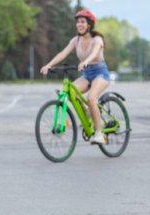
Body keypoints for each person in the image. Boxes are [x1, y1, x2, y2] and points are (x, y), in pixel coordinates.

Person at [40, 9, 110, 144]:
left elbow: (95, 53)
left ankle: (99, 133)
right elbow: (63, 53)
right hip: (87, 73)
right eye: (77, 22)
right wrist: (49, 65)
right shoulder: (75, 40)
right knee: (70, 92)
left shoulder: (97, 39)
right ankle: (88, 112)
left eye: (82, 22)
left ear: (89, 24)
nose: (79, 24)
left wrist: (86, 61)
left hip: (100, 73)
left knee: (91, 98)